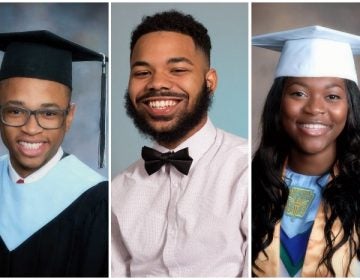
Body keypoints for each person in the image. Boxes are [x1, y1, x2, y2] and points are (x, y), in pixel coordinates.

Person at [111, 10, 248, 277]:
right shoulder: (118, 190)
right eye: (142, 72)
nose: (158, 83)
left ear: (210, 82)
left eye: (178, 70)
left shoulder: (246, 171)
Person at [252, 25, 360, 277]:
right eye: (299, 93)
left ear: (350, 107)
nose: (314, 108)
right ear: (279, 103)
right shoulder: (250, 183)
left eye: (332, 96)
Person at [0, 30, 108, 277]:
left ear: (69, 117)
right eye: (16, 111)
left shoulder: (98, 203)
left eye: (48, 114)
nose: (30, 128)